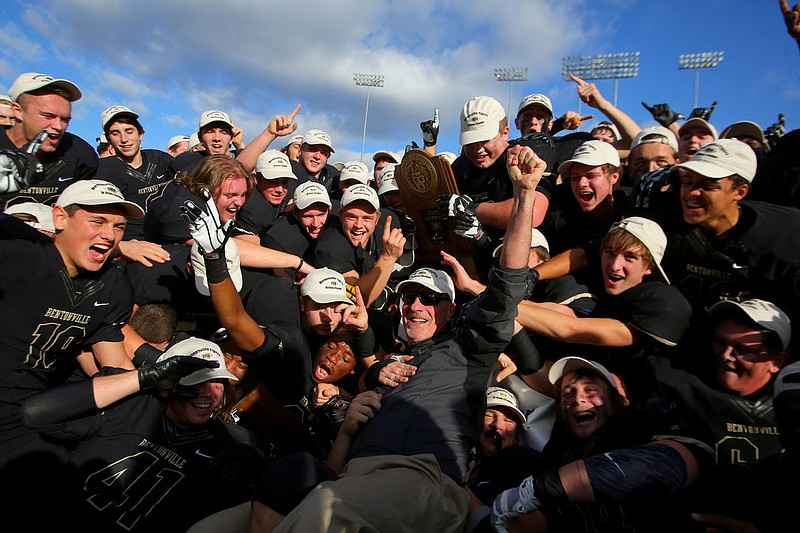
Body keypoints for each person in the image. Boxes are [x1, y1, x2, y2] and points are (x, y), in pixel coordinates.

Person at [246, 143, 544, 532]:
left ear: (451, 310)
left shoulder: (470, 349)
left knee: (326, 510)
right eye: (409, 296)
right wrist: (355, 415)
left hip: (421, 476)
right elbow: (366, 360)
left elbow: (507, 287)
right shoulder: (389, 364)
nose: (416, 304)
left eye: (431, 298)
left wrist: (523, 196)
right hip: (351, 477)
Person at [19, 336, 266, 531]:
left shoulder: (230, 445)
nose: (210, 392)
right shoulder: (130, 405)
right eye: (197, 381)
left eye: (218, 382)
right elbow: (35, 413)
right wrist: (142, 378)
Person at [0, 179, 144, 491]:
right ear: (60, 218)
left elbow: (112, 364)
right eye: (98, 221)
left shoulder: (112, 285)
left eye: (119, 226)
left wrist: (155, 380)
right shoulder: (20, 254)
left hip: (25, 415)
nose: (110, 235)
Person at [480, 356, 711, 533]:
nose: (578, 398)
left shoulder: (647, 415)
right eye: (567, 394)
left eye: (591, 390)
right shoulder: (556, 453)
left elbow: (675, 463)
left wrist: (543, 488)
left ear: (616, 399)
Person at [639, 298, 790, 531]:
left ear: (776, 361)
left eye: (743, 350)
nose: (726, 355)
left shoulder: (792, 407)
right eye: (721, 342)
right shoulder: (678, 383)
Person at [445, 96, 554, 279]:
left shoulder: (521, 157)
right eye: (471, 141)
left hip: (521, 267)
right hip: (475, 266)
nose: (478, 149)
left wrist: (473, 209)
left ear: (505, 133)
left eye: (485, 139)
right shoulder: (459, 167)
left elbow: (534, 213)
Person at [0, 72, 98, 209]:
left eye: (64, 119)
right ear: (17, 111)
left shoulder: (80, 154)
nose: (58, 127)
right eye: (48, 116)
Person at [95, 104, 179, 241]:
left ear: (140, 134)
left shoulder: (160, 159)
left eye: (129, 131)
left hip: (170, 234)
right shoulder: (102, 170)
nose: (124, 139)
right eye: (115, 133)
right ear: (109, 140)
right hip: (131, 241)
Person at [235, 149, 298, 243]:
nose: (280, 190)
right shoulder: (250, 208)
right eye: (273, 182)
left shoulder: (293, 191)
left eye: (285, 182)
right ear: (256, 179)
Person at [174, 109, 239, 172]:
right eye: (210, 132)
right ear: (200, 137)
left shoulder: (243, 161)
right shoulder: (185, 162)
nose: (217, 138)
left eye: (224, 132)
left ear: (231, 138)